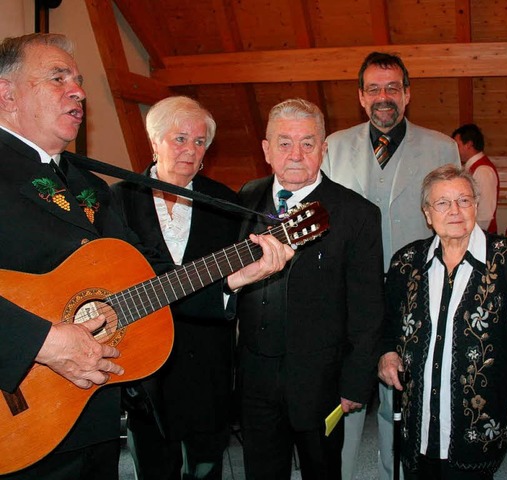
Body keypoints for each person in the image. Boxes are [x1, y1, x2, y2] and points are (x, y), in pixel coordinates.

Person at [0, 34, 291, 480]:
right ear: (7, 94)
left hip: (91, 415)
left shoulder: (91, 186)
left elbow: (151, 277)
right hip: (19, 417)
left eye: (78, 80)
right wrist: (42, 341)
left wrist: (232, 279)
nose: (78, 90)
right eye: (58, 78)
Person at [322, 51, 460, 480]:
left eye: (393, 88)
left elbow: (454, 220)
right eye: (375, 89)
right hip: (347, 295)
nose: (385, 97)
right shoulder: (333, 147)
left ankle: (391, 473)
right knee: (343, 399)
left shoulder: (441, 147)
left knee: (399, 396)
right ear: (361, 97)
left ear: (407, 94)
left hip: (413, 295)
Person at [236, 98, 385, 479]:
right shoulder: (244, 199)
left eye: (308, 143)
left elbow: (367, 309)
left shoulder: (357, 214)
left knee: (322, 471)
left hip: (322, 382)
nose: (296, 154)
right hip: (255, 380)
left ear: (324, 148)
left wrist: (355, 382)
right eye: (284, 143)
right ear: (267, 150)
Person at [110, 96, 246, 479]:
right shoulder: (119, 199)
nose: (191, 150)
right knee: (154, 468)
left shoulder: (225, 202)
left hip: (207, 365)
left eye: (200, 142)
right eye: (180, 138)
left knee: (206, 468)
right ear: (154, 141)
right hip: (146, 370)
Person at [378, 164, 507, 480]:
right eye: (442, 203)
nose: (455, 211)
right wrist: (387, 352)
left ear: (476, 206)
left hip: (479, 420)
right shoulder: (406, 262)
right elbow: (388, 321)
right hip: (416, 416)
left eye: (464, 201)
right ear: (427, 213)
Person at [452, 124, 499, 233]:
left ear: (469, 145)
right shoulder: (471, 169)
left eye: (457, 145)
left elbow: (485, 214)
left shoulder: (483, 170)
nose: (454, 150)